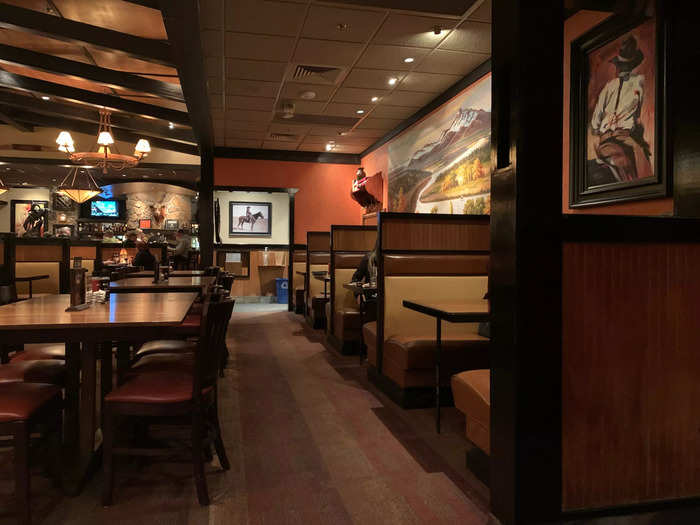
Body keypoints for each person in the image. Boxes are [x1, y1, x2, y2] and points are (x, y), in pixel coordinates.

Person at [590, 35, 652, 182]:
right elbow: (595, 121)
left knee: (640, 153)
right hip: (615, 137)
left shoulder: (638, 83)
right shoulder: (615, 86)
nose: (621, 70)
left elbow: (595, 122)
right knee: (639, 154)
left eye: (623, 66)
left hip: (620, 136)